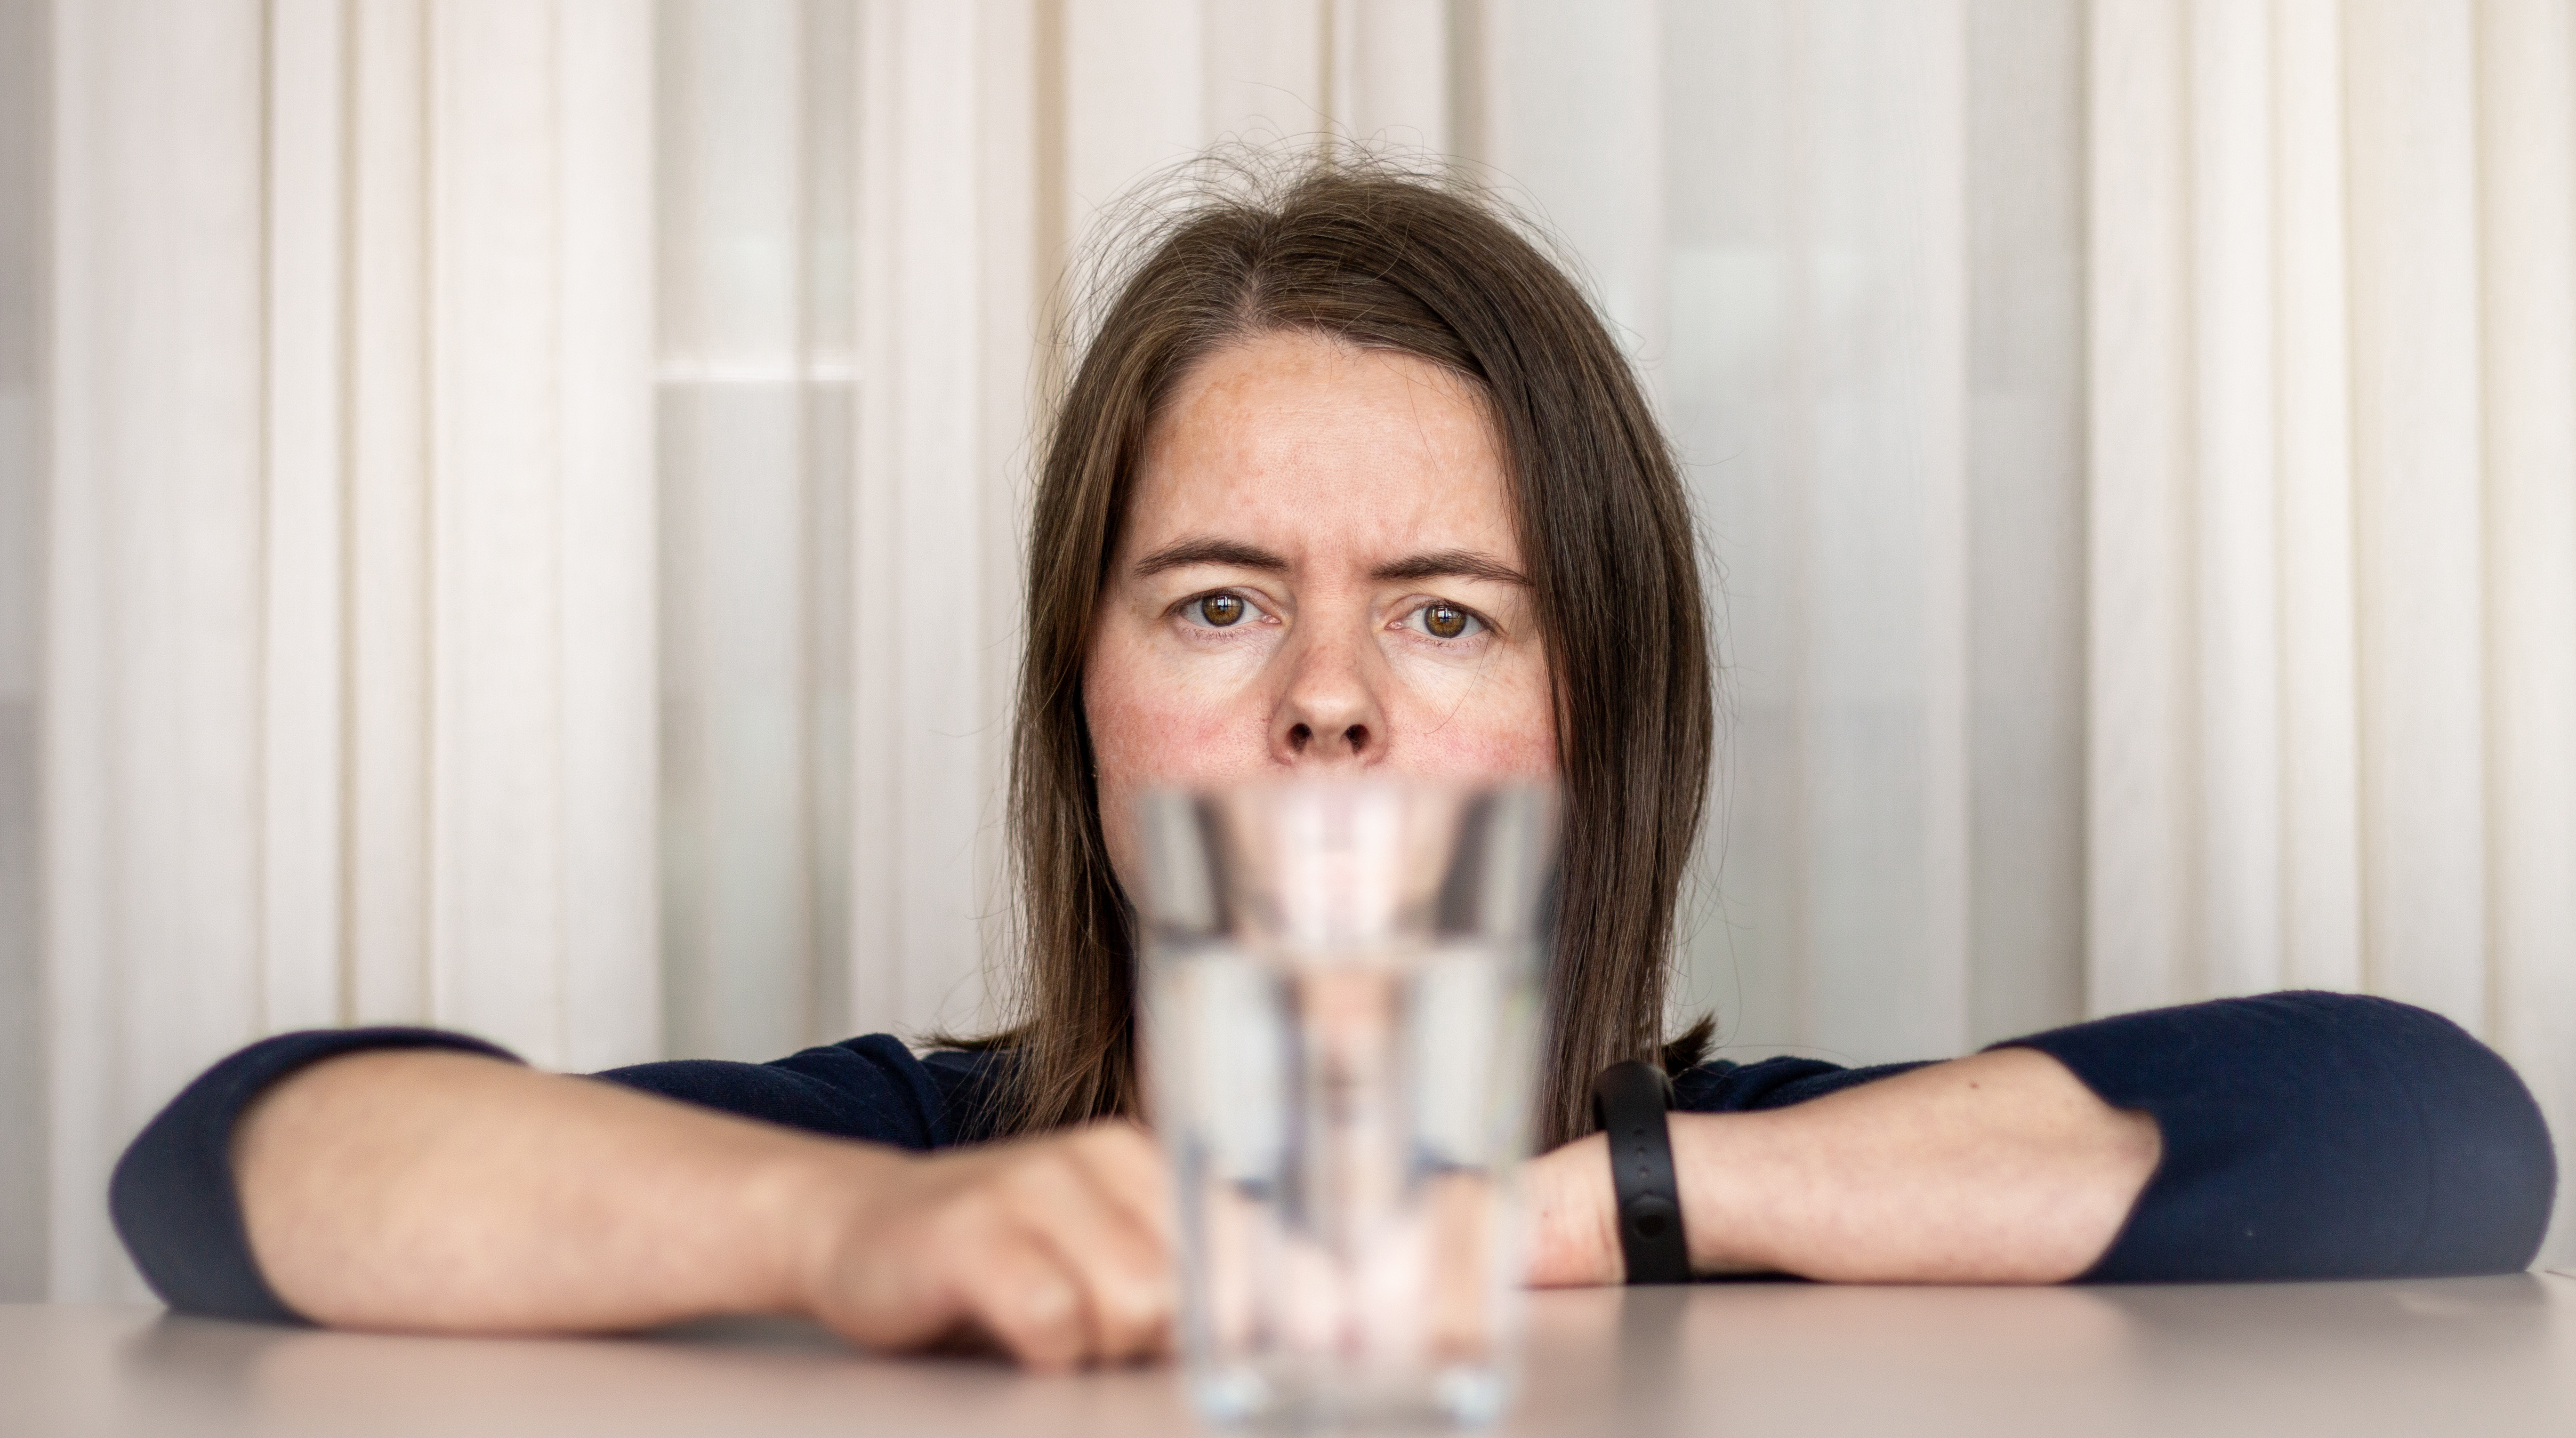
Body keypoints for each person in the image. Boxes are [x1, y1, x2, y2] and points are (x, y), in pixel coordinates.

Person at [113, 156, 2555, 1373]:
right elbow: (229, 1162)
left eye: (1447, 609)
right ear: (1087, 717)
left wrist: (1557, 1216)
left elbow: (2437, 1130)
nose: (1329, 698)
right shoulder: (924, 1169)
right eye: (1215, 597)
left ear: (1602, 718)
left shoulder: (1776, 1189)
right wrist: (842, 1234)